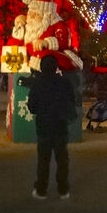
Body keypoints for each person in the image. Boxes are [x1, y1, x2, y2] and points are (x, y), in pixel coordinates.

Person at [27, 54, 77, 200]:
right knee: (62, 159)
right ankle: (63, 189)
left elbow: (32, 107)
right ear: (56, 67)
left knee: (43, 159)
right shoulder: (65, 83)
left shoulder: (37, 83)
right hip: (60, 125)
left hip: (44, 125)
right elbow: (72, 102)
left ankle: (41, 189)